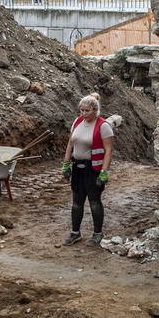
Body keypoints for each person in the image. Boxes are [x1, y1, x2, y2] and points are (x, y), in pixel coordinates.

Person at [60, 92, 114, 246]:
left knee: (94, 201)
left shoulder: (103, 126)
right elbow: (71, 143)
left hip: (93, 168)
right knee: (77, 201)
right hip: (77, 167)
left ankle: (98, 233)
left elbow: (109, 150)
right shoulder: (77, 121)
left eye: (87, 111)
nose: (83, 113)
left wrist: (104, 172)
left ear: (95, 110)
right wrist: (66, 163)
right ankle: (75, 233)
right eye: (81, 110)